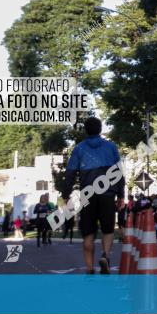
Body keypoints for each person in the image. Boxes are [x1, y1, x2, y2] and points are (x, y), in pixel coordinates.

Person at [63, 116, 125, 275]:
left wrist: (66, 194)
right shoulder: (111, 147)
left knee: (88, 232)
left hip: (87, 194)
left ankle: (90, 268)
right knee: (108, 229)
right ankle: (105, 255)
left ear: (86, 130)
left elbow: (70, 172)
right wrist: (121, 195)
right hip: (107, 193)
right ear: (100, 129)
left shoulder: (79, 148)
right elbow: (119, 172)